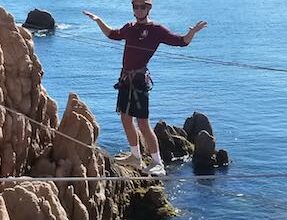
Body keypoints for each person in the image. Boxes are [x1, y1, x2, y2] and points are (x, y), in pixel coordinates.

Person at [83, 0, 207, 176]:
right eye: (136, 7)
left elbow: (181, 42)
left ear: (149, 9)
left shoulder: (157, 30)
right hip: (125, 81)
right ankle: (135, 156)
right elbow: (112, 34)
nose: (139, 10)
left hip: (140, 82)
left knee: (143, 123)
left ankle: (157, 162)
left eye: (143, 7)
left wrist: (192, 32)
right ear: (133, 9)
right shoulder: (130, 27)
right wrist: (98, 20)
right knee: (125, 119)